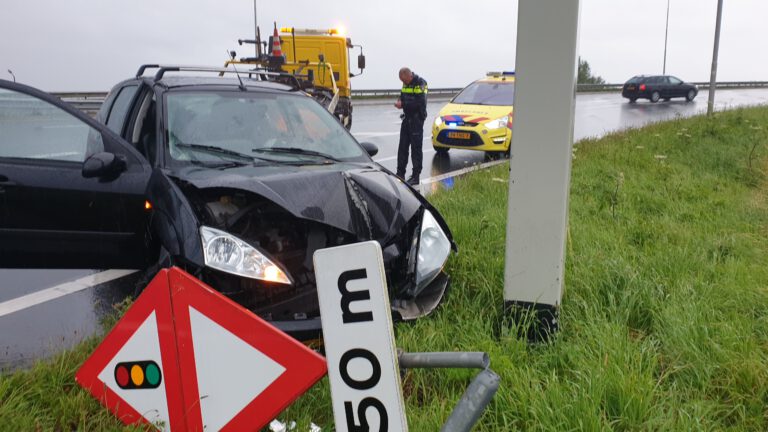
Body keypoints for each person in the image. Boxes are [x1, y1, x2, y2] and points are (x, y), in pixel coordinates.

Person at [395, 67, 428, 185]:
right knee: (402, 147)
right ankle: (400, 174)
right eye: (401, 81)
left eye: (404, 80)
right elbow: (402, 95)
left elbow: (420, 102)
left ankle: (416, 176)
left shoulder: (421, 83)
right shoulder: (405, 84)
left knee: (416, 149)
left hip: (417, 119)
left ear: (409, 76)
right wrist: (399, 100)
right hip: (407, 118)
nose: (403, 83)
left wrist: (403, 104)